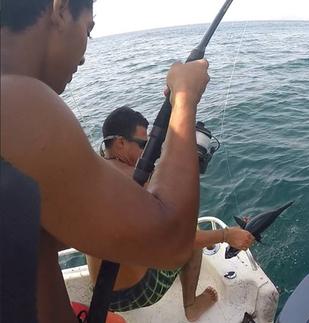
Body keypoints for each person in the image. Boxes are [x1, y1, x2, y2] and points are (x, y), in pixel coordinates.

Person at [1, 1, 211, 322]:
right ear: (59, 8)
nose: (85, 55)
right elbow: (173, 241)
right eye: (88, 29)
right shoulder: (15, 102)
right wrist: (184, 98)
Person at [87, 107, 255, 321]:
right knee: (192, 235)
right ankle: (191, 306)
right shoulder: (136, 184)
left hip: (100, 295)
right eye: (143, 145)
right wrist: (227, 235)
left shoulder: (93, 169)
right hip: (135, 293)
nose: (148, 152)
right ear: (120, 143)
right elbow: (180, 239)